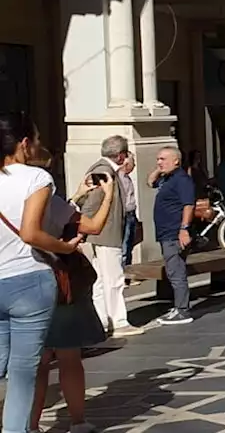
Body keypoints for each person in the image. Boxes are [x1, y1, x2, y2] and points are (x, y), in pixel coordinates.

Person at [28, 147, 121, 433]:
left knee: (35, 363)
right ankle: (78, 422)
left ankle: (29, 425)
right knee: (68, 358)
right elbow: (91, 226)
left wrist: (78, 196)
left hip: (20, 284)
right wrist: (108, 196)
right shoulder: (51, 202)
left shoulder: (9, 197)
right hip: (56, 284)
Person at [0, 113, 79, 433]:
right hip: (29, 279)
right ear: (23, 144)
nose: (38, 145)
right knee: (22, 372)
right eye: (35, 139)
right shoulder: (36, 178)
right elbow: (31, 233)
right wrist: (65, 248)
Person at [81, 135, 141, 338]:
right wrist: (86, 228)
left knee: (101, 279)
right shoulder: (104, 172)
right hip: (105, 233)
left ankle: (103, 319)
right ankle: (118, 321)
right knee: (113, 278)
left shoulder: (103, 169)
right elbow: (90, 203)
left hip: (101, 233)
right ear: (121, 155)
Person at [150, 146, 196, 325]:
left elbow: (188, 205)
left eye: (162, 159)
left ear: (176, 161)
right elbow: (150, 182)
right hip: (165, 232)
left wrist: (184, 229)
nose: (159, 162)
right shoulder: (167, 178)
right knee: (172, 270)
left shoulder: (182, 180)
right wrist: (160, 169)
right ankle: (178, 306)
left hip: (174, 233)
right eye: (158, 159)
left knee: (176, 271)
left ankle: (183, 310)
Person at [120, 153, 139, 269]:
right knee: (125, 245)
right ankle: (123, 272)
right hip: (125, 215)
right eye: (133, 163)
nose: (135, 165)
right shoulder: (120, 178)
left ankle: (128, 269)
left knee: (130, 244)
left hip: (131, 214)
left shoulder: (127, 177)